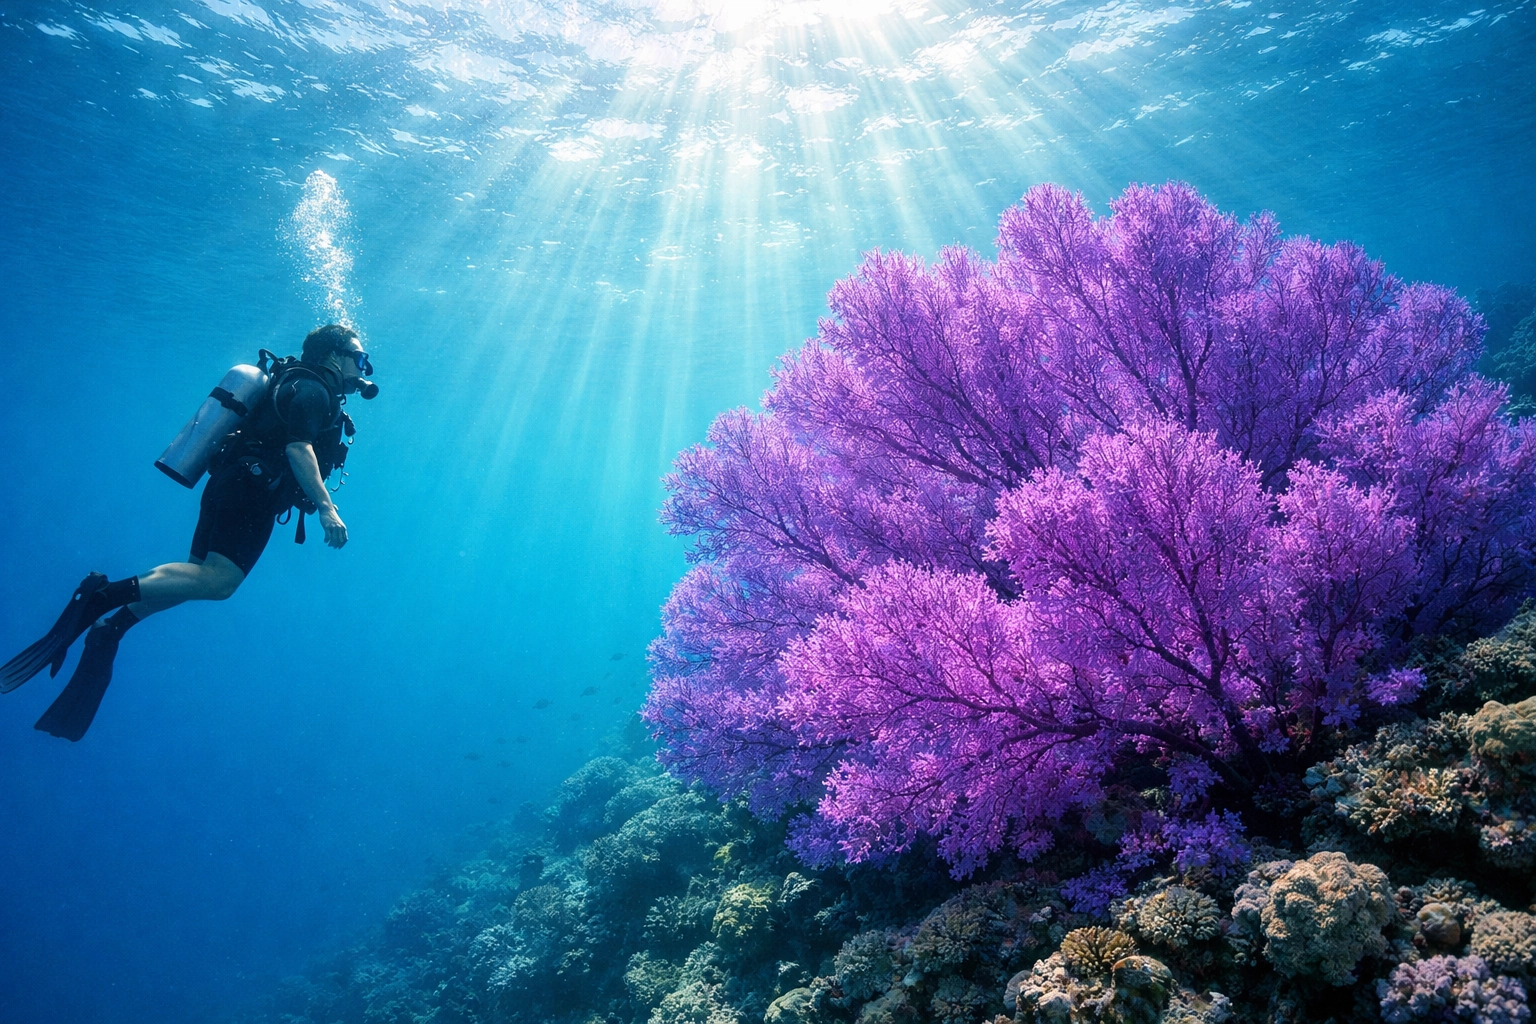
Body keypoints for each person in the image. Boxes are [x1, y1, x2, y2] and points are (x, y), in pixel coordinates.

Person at [0, 324, 376, 740]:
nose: (364, 368)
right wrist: (327, 508)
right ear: (332, 356)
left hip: (232, 484)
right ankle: (102, 597)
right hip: (252, 494)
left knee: (195, 574)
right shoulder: (313, 390)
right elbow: (298, 448)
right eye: (359, 359)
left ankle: (116, 625)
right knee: (219, 583)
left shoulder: (297, 383)